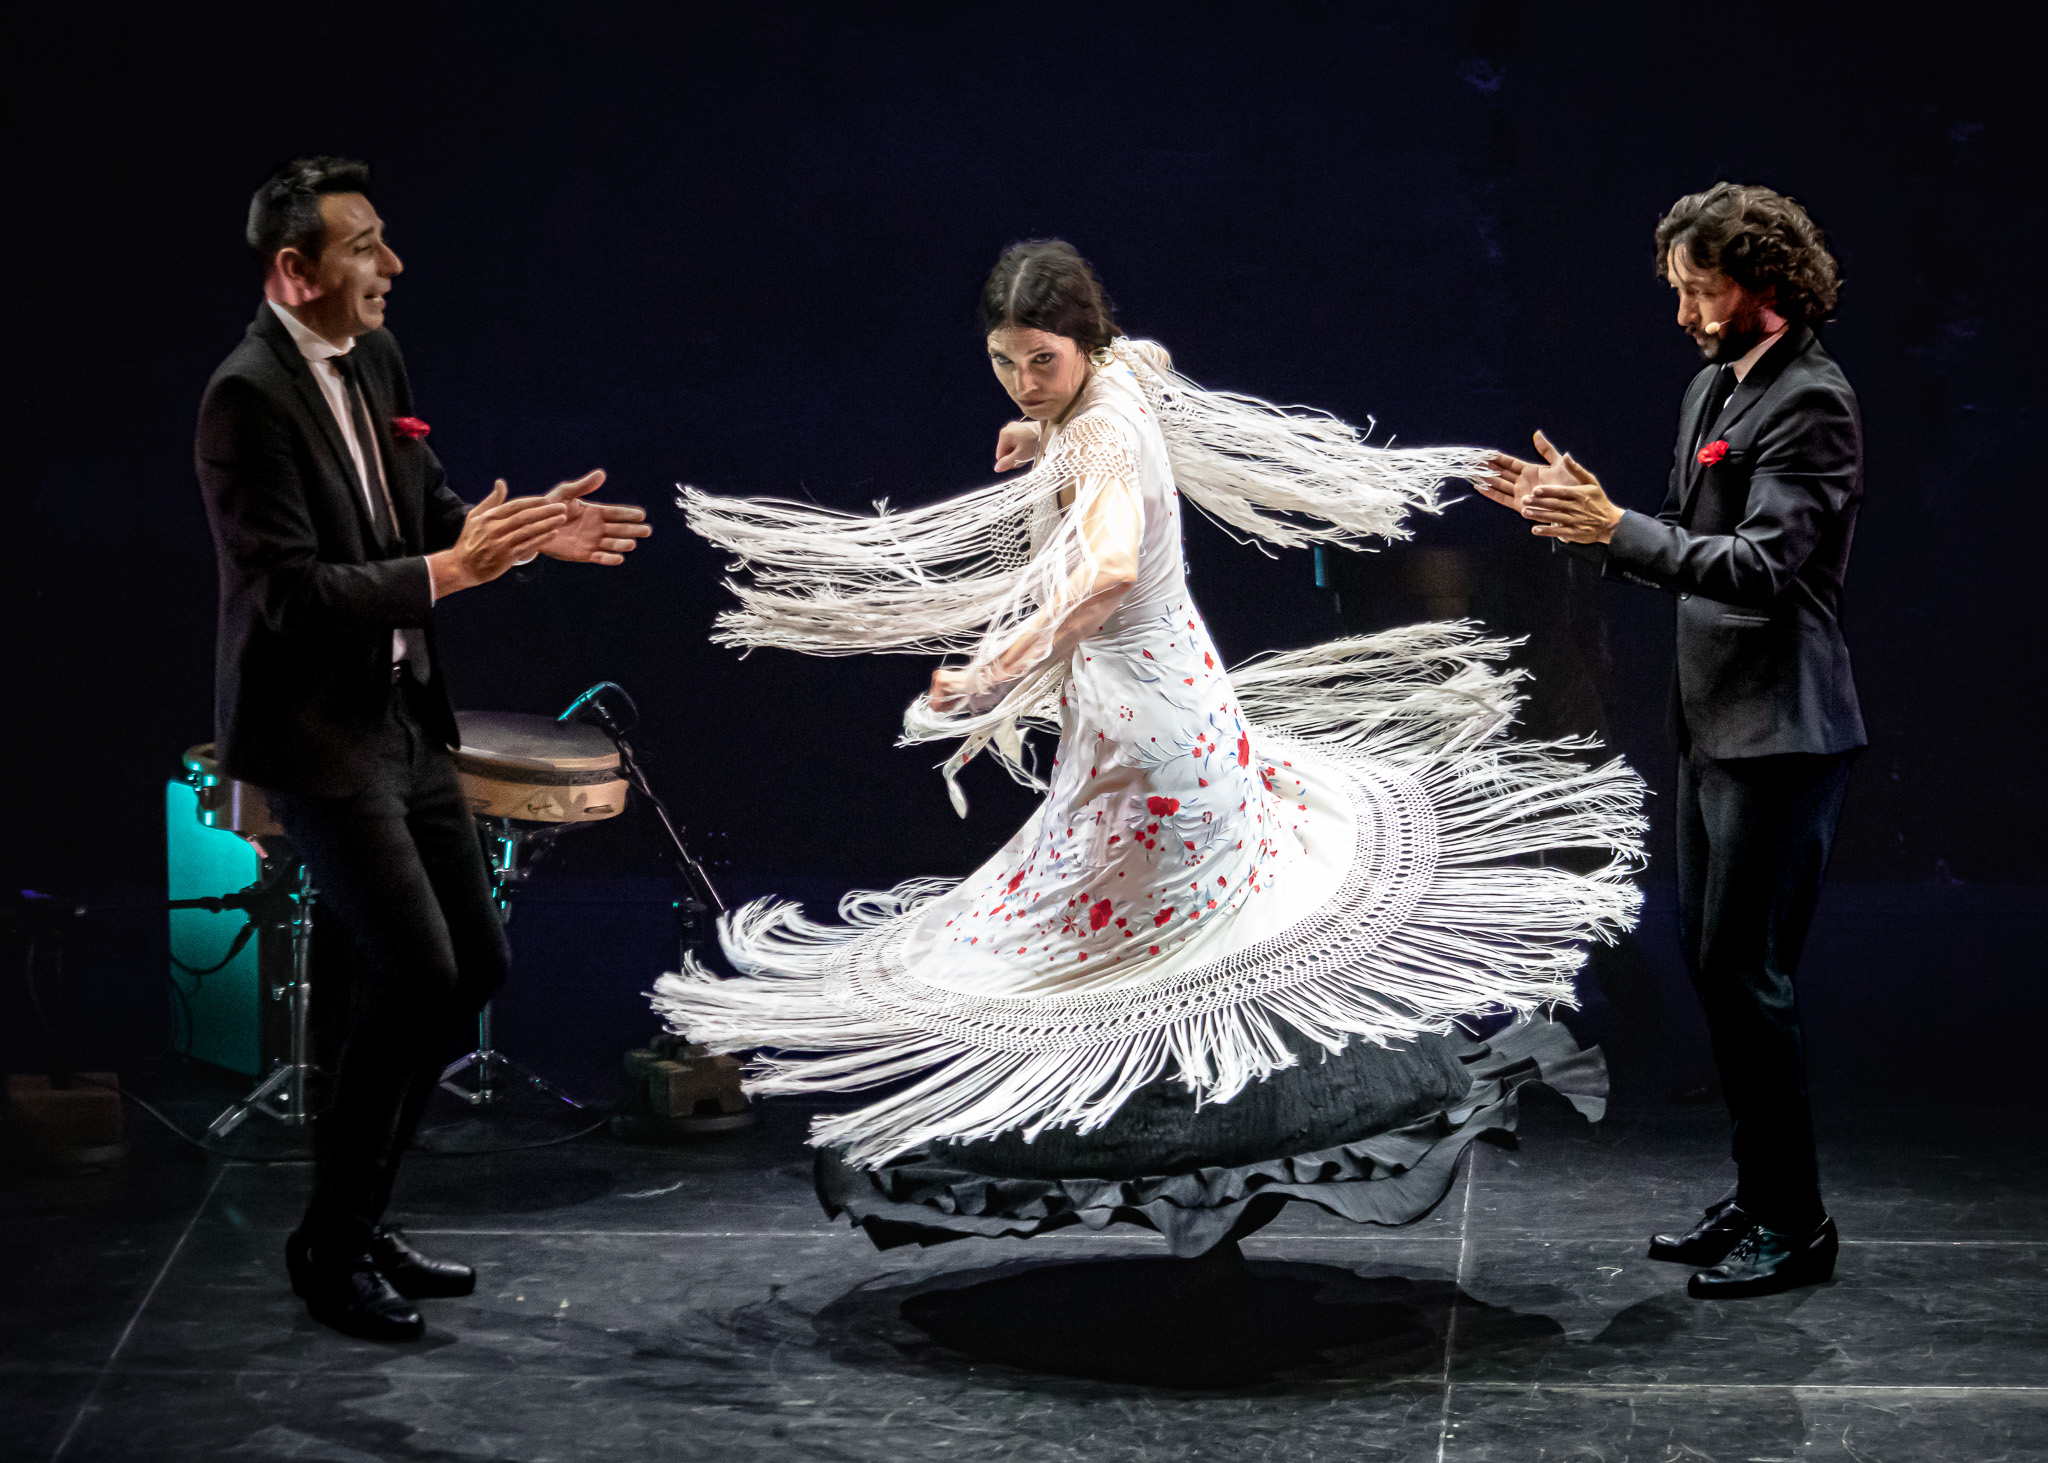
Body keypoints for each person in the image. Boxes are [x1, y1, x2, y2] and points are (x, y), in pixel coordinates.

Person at [653, 241, 1646, 1257]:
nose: (1023, 380)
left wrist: (1000, 663)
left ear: (1080, 342)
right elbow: (1154, 359)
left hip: (1152, 740)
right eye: (1003, 361)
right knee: (1167, 932)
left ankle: (1190, 1158)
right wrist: (1038, 427)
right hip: (1166, 712)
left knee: (1112, 941)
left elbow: (1110, 570)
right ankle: (1200, 1158)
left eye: (1040, 361)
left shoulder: (1096, 439)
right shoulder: (1117, 377)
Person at [195, 156, 651, 1340]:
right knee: (418, 972)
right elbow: (290, 594)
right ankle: (331, 1243)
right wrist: (451, 570)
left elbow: (425, 500)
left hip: (403, 717)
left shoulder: (378, 360)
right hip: (315, 733)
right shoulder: (242, 398)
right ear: (295, 272)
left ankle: (356, 1215)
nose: (390, 266)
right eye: (362, 247)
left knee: (474, 963)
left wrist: (523, 530)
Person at [1479, 182, 1863, 1300]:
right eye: (1678, 291)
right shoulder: (1712, 388)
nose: (1688, 312)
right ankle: (1757, 1198)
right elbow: (1674, 535)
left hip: (1781, 730)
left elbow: (1759, 566)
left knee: (1749, 976)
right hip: (1711, 723)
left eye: (1704, 290)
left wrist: (1619, 530)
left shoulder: (1812, 400)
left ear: (1768, 285)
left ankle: (1794, 1223)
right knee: (1715, 969)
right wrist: (1582, 512)